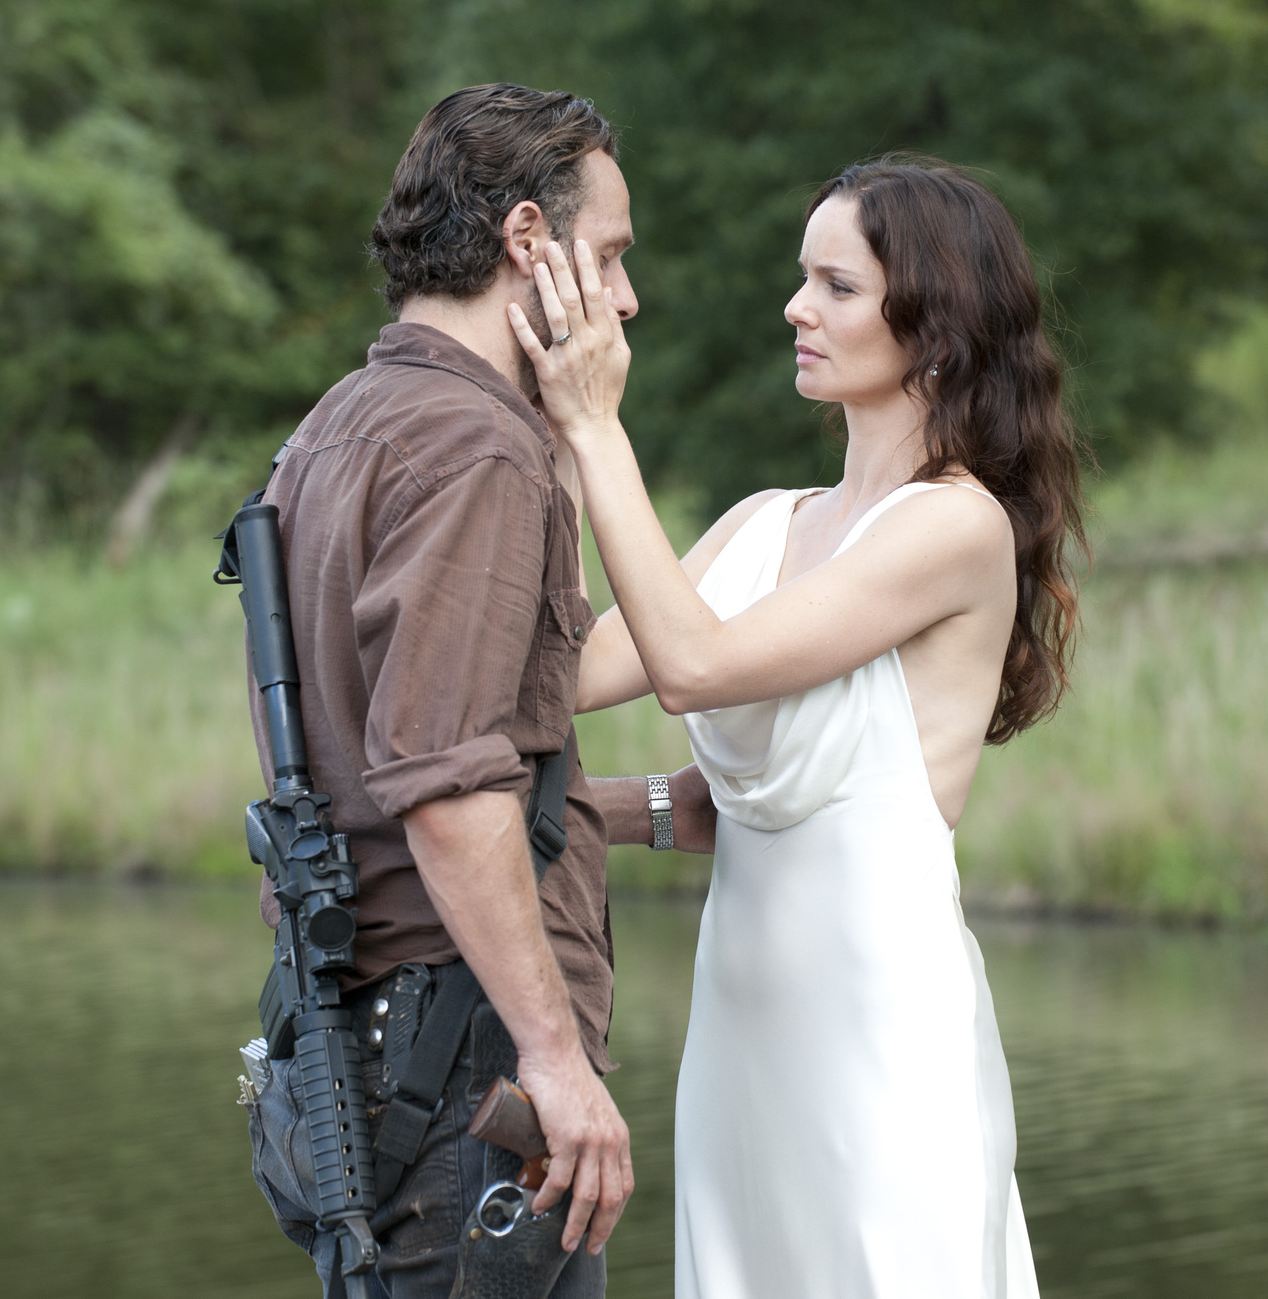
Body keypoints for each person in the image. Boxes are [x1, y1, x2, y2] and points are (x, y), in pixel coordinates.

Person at [518, 156, 1085, 1298]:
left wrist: (597, 426)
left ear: (932, 325)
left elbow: (693, 668)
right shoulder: (761, 524)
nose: (795, 308)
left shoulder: (955, 529)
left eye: (835, 286)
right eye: (800, 279)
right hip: (742, 1036)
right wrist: (547, 436)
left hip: (880, 1030)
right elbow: (562, 672)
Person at [240, 83, 715, 1299]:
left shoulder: (335, 428)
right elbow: (444, 785)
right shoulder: (475, 450)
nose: (624, 296)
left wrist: (644, 812)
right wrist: (554, 1060)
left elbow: (399, 771)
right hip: (461, 1074)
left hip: (355, 1056)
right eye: (607, 256)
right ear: (525, 243)